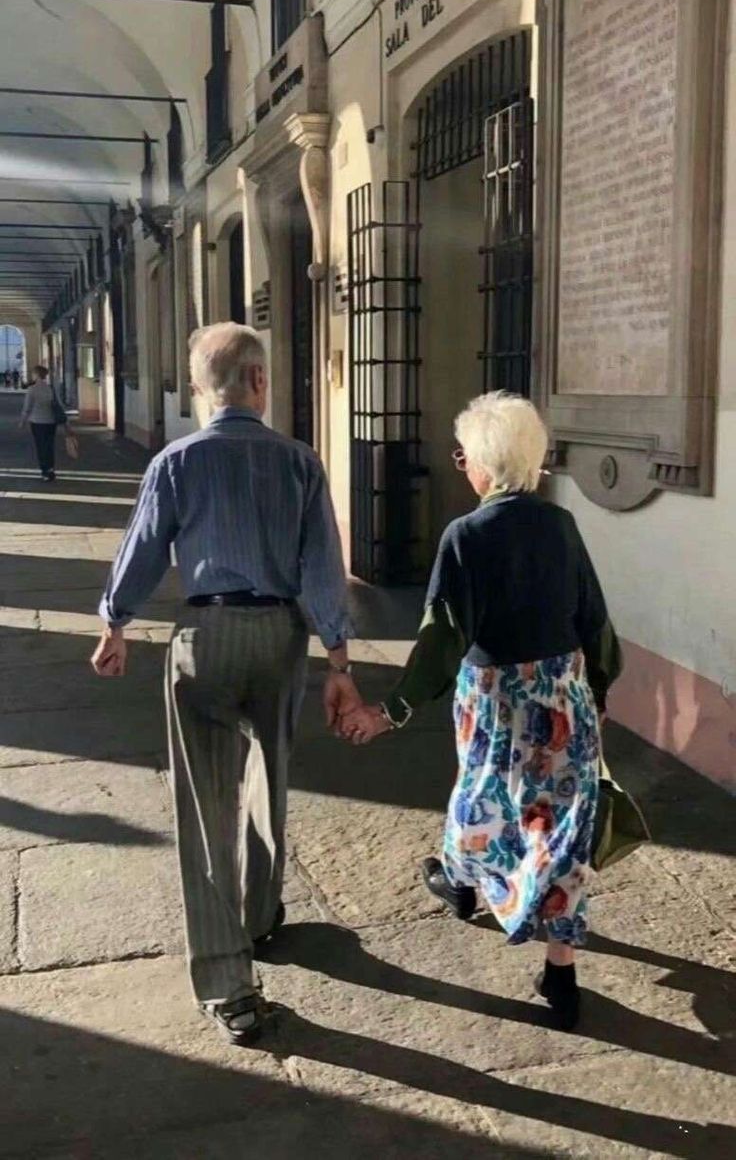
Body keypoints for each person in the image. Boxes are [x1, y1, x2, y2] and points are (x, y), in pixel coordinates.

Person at [91, 323, 359, 1045]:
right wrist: (340, 662)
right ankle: (259, 914)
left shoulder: (176, 463)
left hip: (204, 638)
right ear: (260, 382)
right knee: (269, 775)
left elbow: (143, 549)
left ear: (203, 389)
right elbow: (322, 569)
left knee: (204, 806)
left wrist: (115, 621)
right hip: (278, 635)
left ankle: (226, 979)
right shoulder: (300, 464)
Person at [329, 392, 621, 1032]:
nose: (460, 464)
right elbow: (594, 621)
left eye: (464, 455)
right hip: (563, 692)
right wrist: (595, 690)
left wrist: (392, 710)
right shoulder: (561, 526)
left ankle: (465, 883)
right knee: (560, 825)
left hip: (497, 697)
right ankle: (562, 972)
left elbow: (441, 639)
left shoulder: (466, 535)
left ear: (485, 464)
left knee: (484, 793)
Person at [19, 365, 68, 481]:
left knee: (40, 446)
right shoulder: (50, 388)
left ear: (36, 375)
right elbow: (59, 405)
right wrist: (66, 422)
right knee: (49, 446)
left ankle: (44, 471)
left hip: (37, 422)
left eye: (33, 374)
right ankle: (51, 469)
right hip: (51, 422)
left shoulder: (32, 389)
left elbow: (27, 408)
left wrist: (22, 421)